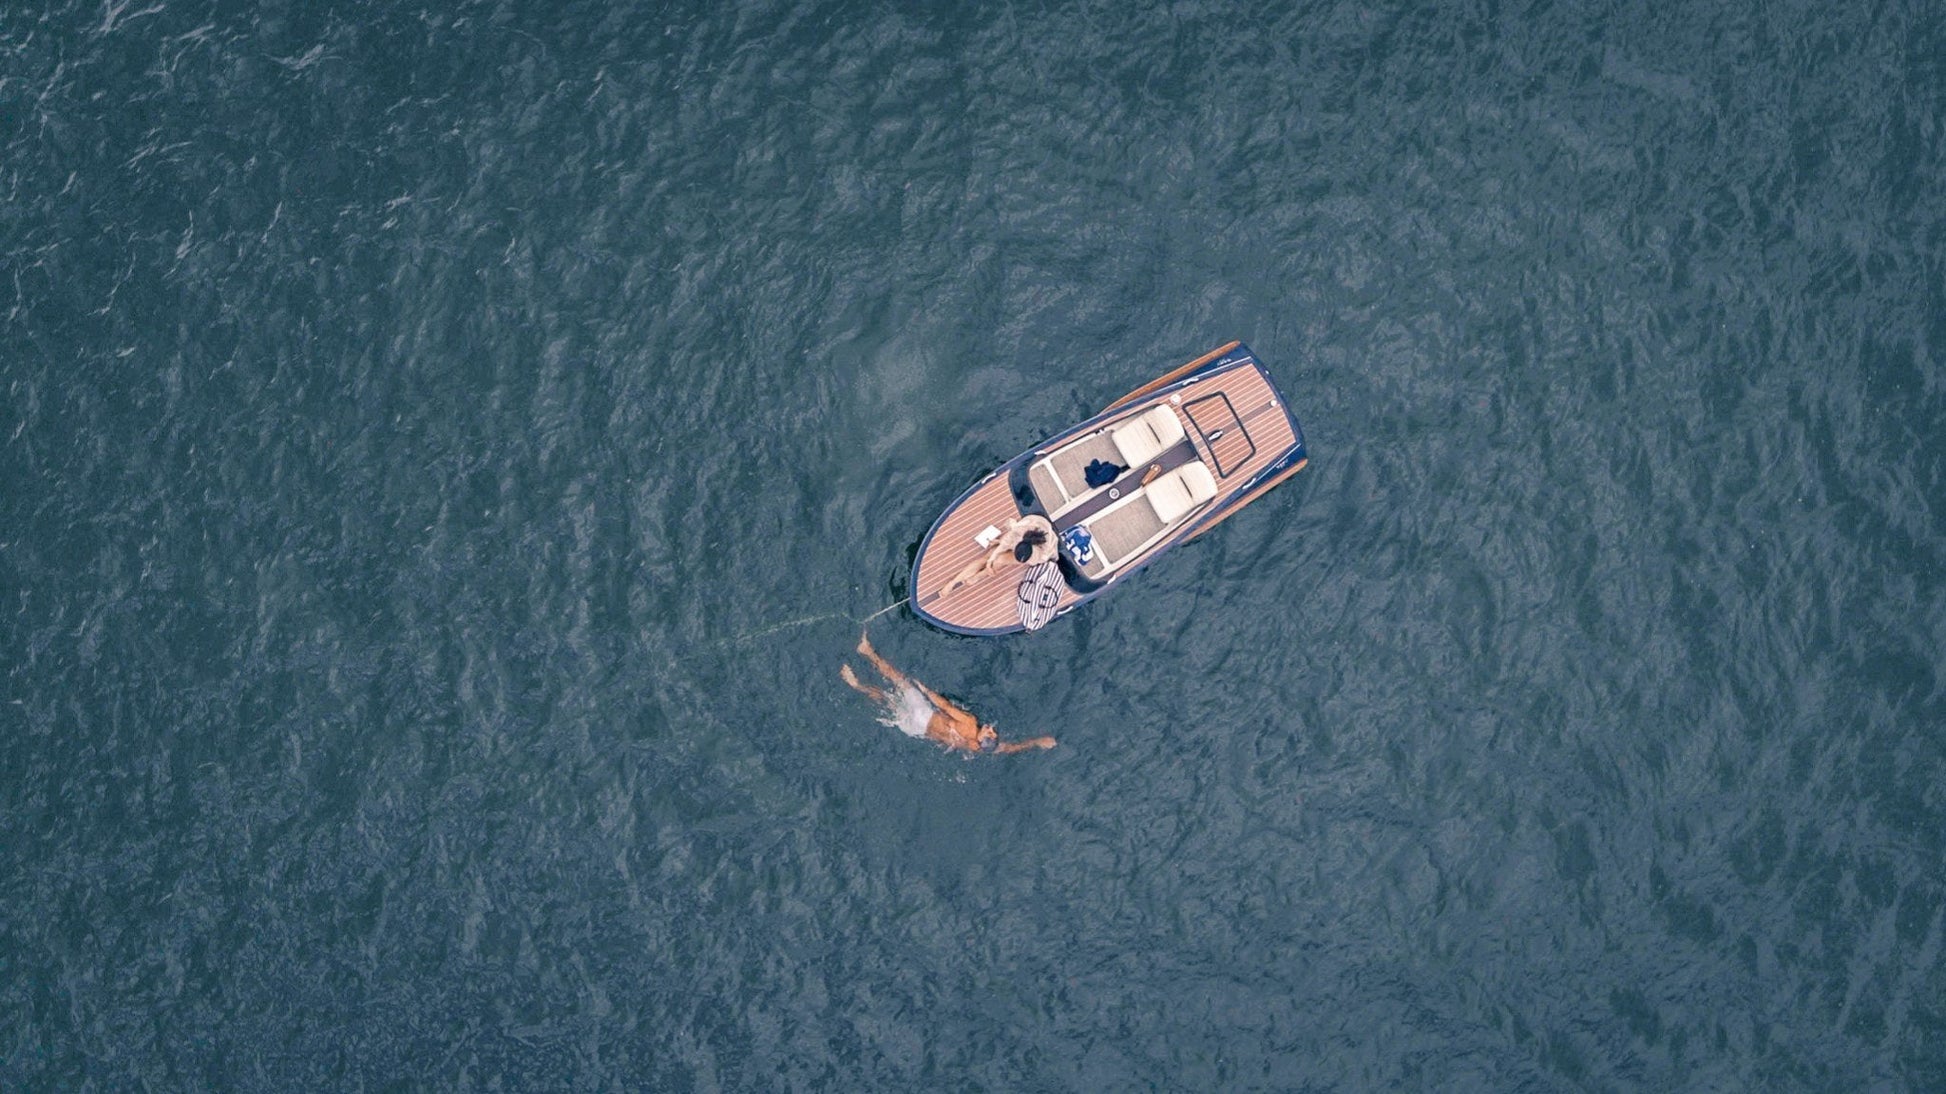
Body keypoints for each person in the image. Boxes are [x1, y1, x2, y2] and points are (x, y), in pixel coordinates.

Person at [839, 632, 1057, 755]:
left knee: (898, 680)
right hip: (916, 729)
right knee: (887, 701)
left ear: (982, 738)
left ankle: (866, 651)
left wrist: (925, 690)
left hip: (924, 713)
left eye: (989, 732)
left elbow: (945, 706)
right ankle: (856, 684)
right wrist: (1036, 742)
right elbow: (1007, 748)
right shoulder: (975, 748)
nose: (991, 729)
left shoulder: (971, 723)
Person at [935, 514, 1057, 599]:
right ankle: (953, 582)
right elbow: (1002, 547)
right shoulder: (1018, 531)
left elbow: (1045, 557)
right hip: (1023, 534)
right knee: (987, 557)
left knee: (1000, 560)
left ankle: (979, 576)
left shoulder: (1041, 555)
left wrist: (994, 561)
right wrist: (992, 558)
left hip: (1033, 548)